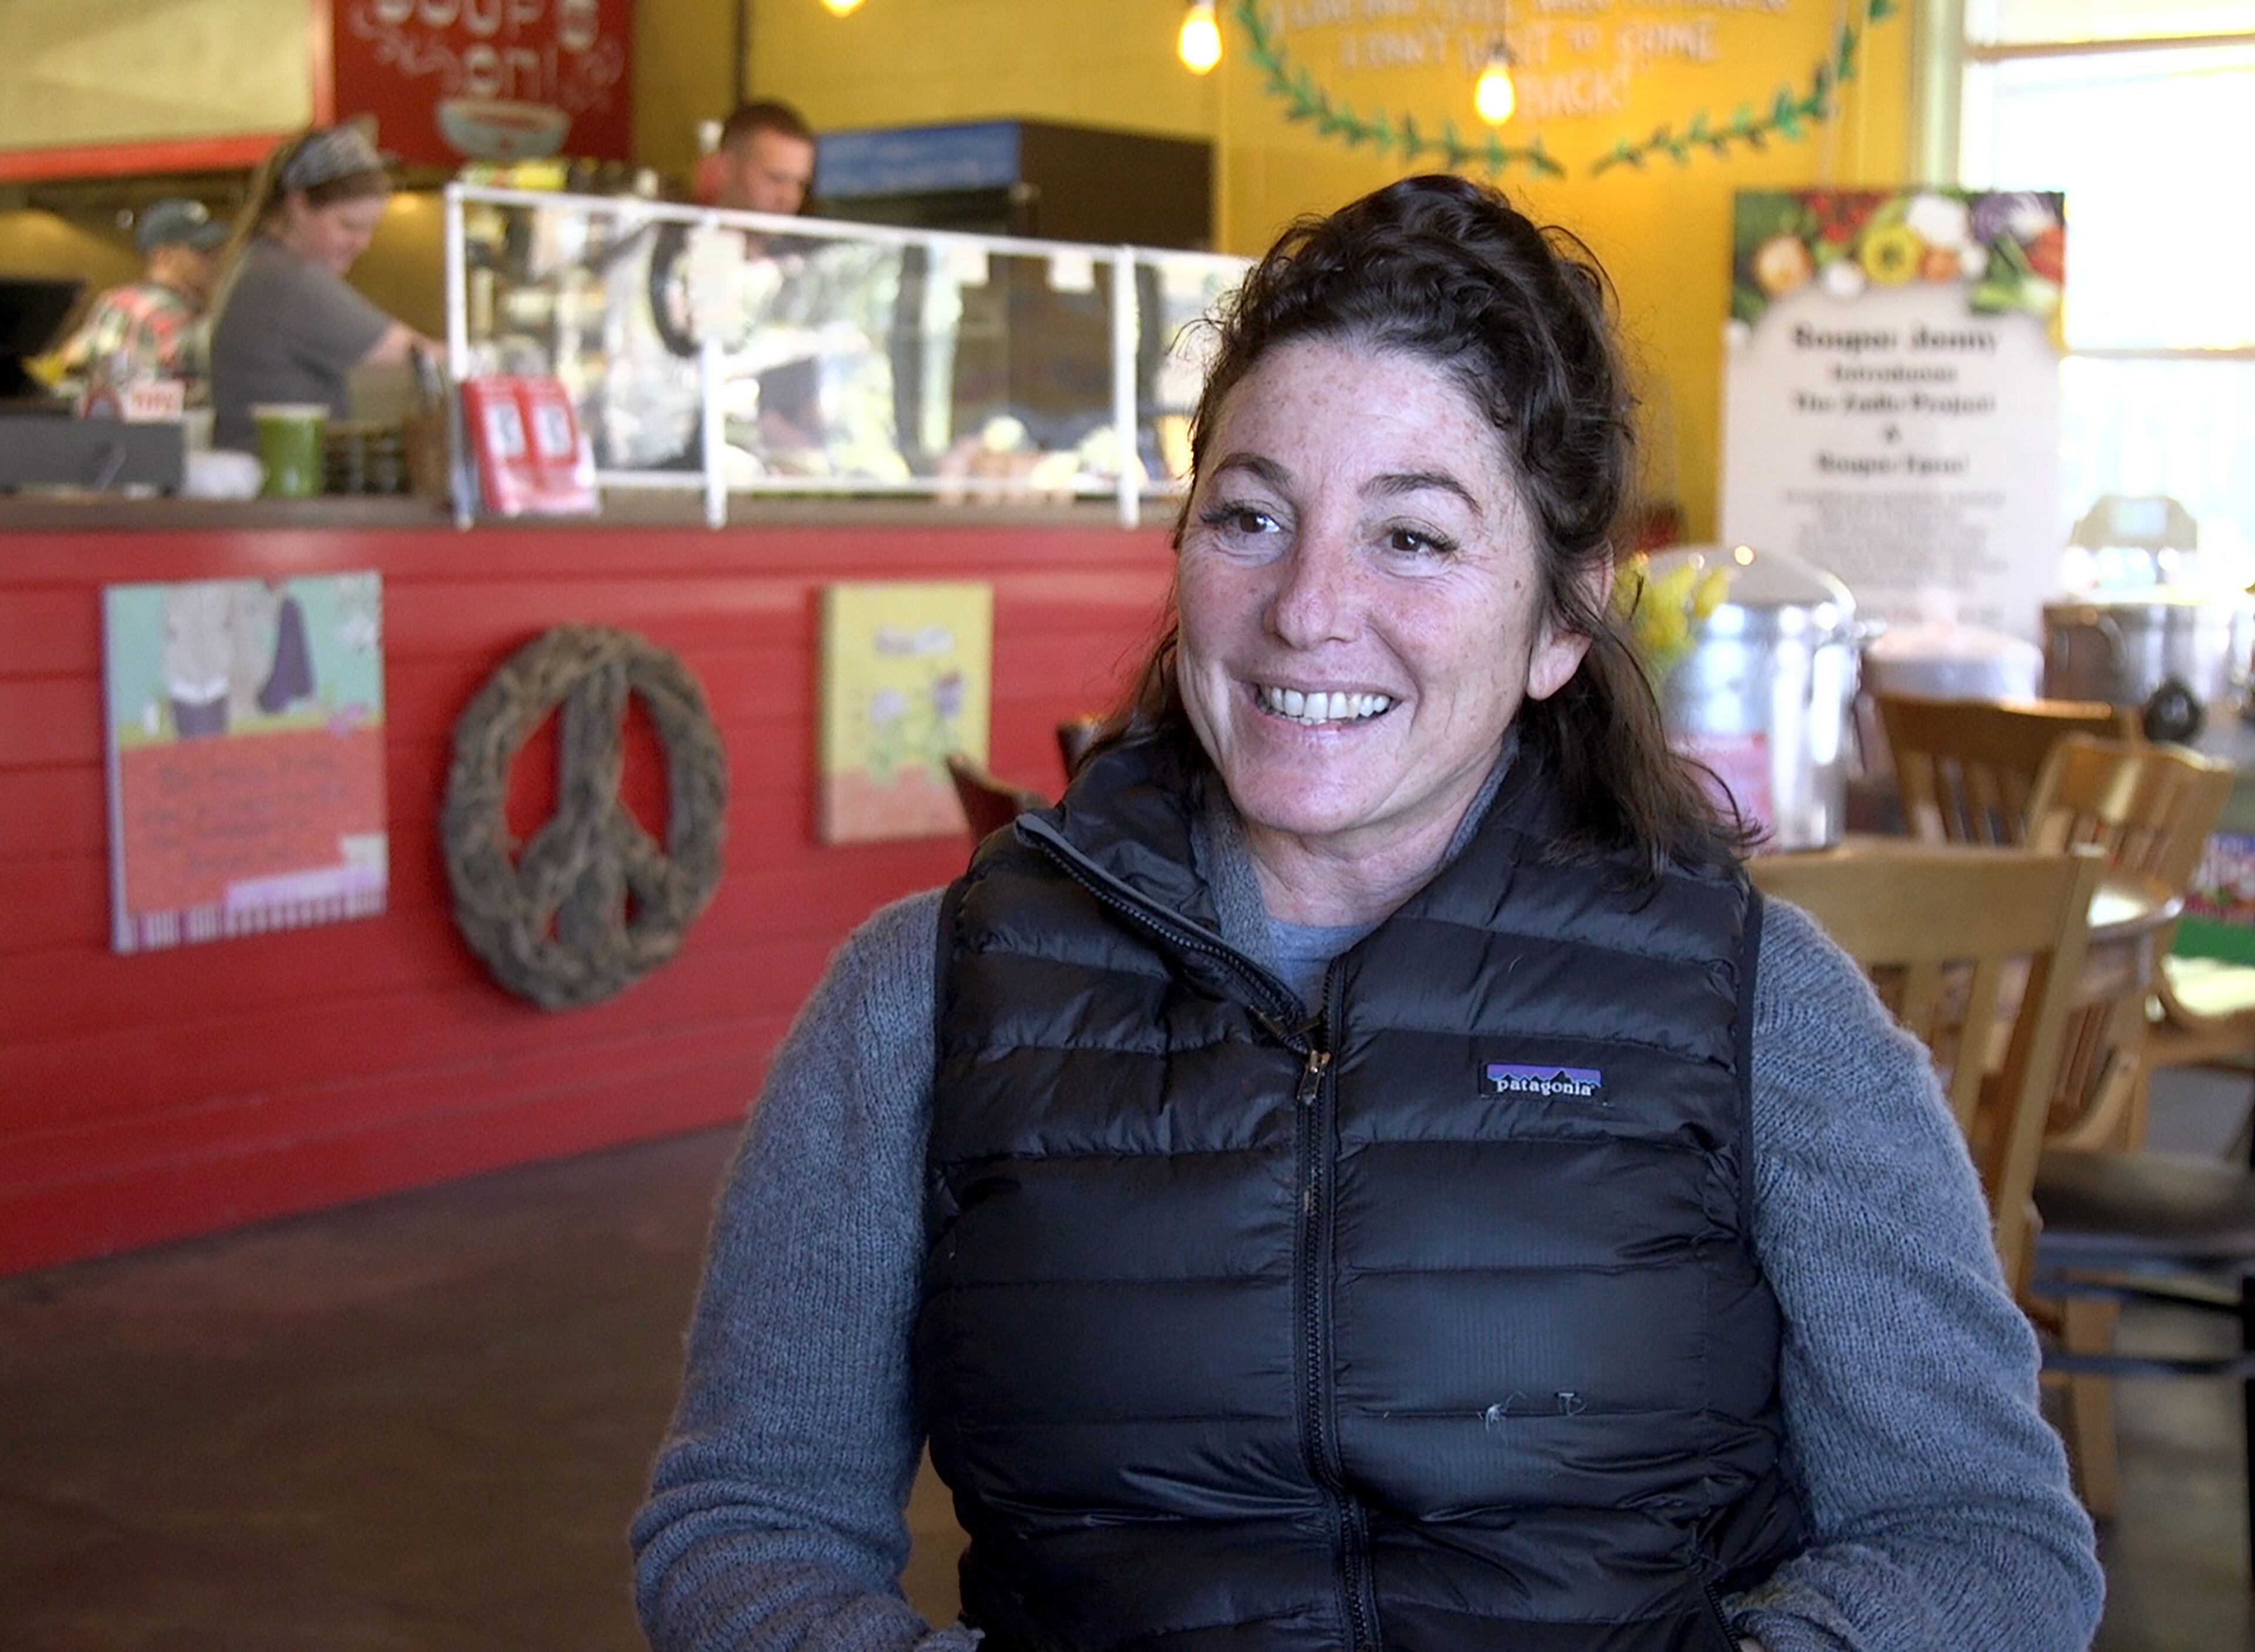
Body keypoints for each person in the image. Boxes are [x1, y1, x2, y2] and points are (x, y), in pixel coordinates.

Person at [631, 174, 2104, 1652]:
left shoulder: (1758, 1007)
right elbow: (748, 1523)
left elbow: (1978, 1538)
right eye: (1252, 516)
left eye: (1412, 538)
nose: (1305, 608)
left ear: (1558, 622)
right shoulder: (927, 994)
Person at [207, 124, 434, 452]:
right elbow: (417, 355)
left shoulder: (259, 263)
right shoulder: (284, 280)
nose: (363, 244)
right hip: (279, 487)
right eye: (349, 226)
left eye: (371, 229)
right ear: (298, 206)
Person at [56, 198, 227, 390]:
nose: (217, 260)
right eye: (203, 252)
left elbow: (73, 360)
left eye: (217, 251)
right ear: (163, 257)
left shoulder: (114, 301)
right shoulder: (163, 311)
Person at [704, 99, 817, 217]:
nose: (790, 198)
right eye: (777, 179)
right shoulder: (689, 233)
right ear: (727, 168)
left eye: (801, 185)